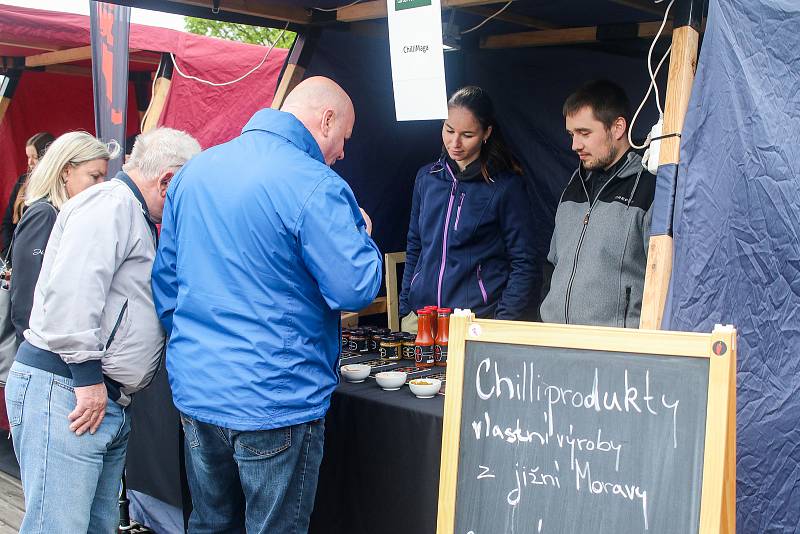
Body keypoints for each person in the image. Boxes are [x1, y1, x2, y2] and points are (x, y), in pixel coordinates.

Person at [151, 76, 382, 533]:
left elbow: (167, 286)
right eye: (344, 138)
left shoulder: (195, 172)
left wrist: (196, 353)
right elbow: (355, 288)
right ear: (327, 119)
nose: (342, 152)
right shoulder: (317, 184)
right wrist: (361, 233)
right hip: (275, 397)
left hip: (200, 390)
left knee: (210, 524)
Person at [5, 127, 200, 533]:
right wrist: (89, 379)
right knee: (58, 527)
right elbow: (73, 294)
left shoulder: (128, 210)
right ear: (167, 180)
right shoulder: (110, 206)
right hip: (70, 392)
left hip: (94, 396)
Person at [399, 86, 536, 329]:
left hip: (476, 322)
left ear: (486, 133)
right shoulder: (426, 178)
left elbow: (523, 261)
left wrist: (502, 322)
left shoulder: (506, 187)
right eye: (449, 130)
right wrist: (406, 306)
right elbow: (415, 245)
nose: (455, 142)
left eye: (468, 134)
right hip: (421, 318)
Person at [539, 80, 656, 327]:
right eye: (572, 134)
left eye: (584, 133)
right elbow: (553, 263)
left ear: (618, 128)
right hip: (555, 344)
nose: (574, 145)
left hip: (613, 352)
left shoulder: (649, 186)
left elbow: (662, 278)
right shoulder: (574, 183)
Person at [10, 131, 115, 343]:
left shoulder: (68, 215)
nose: (102, 184)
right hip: (43, 356)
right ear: (66, 171)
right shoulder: (45, 214)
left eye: (104, 176)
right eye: (95, 176)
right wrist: (39, 352)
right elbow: (25, 297)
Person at [1, 132, 55, 258]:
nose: (30, 162)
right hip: (18, 254)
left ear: (46, 157)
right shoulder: (22, 182)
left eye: (34, 157)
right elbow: (7, 223)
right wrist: (8, 255)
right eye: (28, 156)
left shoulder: (58, 186)